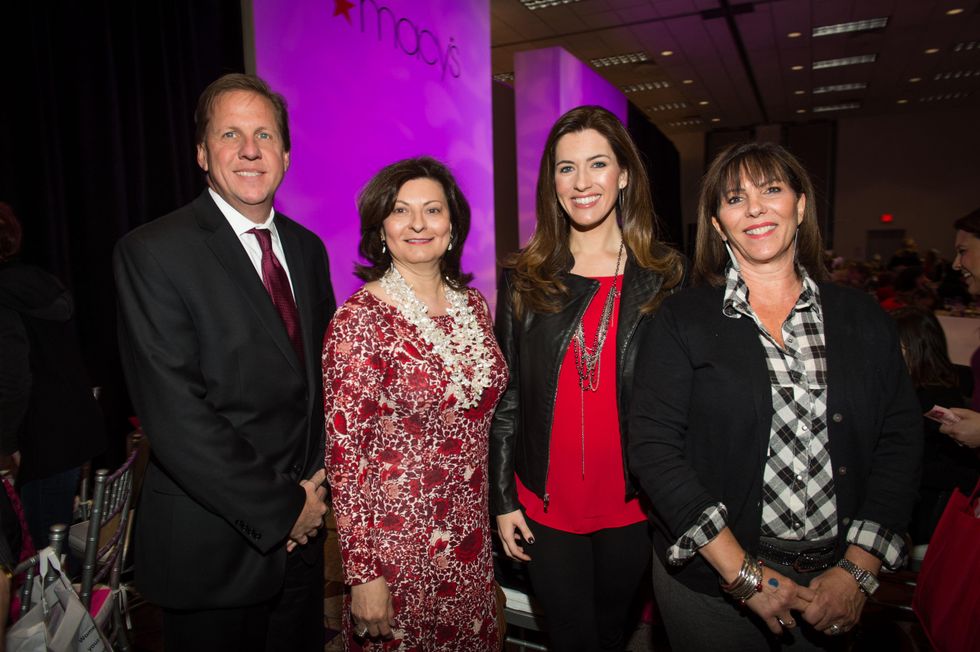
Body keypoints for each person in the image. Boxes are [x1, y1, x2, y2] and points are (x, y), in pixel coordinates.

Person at [629, 142, 922, 651]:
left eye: (771, 190)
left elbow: (900, 443)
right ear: (718, 224)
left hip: (832, 583)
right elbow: (654, 449)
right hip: (712, 590)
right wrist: (743, 576)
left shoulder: (862, 316)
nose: (756, 208)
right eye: (735, 199)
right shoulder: (682, 319)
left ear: (800, 205)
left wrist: (857, 572)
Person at [114, 73, 335, 652]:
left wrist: (314, 493)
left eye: (264, 134)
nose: (249, 149)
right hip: (214, 549)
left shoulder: (308, 250)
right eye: (230, 133)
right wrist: (285, 508)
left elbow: (321, 384)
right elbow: (176, 415)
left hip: (304, 546)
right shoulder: (154, 252)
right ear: (201, 153)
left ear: (285, 154)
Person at [490, 105, 685, 651]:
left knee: (611, 633)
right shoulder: (525, 278)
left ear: (624, 175)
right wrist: (503, 499)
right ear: (552, 183)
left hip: (632, 504)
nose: (581, 182)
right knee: (573, 639)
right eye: (565, 167)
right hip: (546, 507)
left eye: (597, 164)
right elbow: (508, 399)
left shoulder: (666, 275)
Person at [322, 156, 507, 650]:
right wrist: (363, 574)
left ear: (452, 224)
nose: (419, 224)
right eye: (402, 211)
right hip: (397, 552)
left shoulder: (473, 307)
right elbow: (345, 457)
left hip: (470, 544)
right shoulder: (360, 320)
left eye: (433, 209)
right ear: (381, 227)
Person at [0, 202, 106, 549]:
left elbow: (14, 380)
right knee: (53, 546)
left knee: (45, 561)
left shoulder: (5, 296)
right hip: (72, 431)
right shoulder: (38, 283)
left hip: (42, 443)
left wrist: (6, 446)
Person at [888, 307, 979, 544]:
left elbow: (953, 469)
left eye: (895, 347)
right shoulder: (916, 391)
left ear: (917, 349)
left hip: (930, 518)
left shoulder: (932, 398)